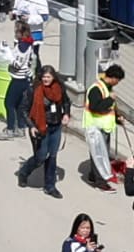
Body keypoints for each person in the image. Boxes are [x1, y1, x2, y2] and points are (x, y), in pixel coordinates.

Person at [17, 65, 71, 198]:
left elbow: (66, 102)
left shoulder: (59, 88)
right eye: (44, 77)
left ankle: (50, 186)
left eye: (49, 77)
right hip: (40, 127)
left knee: (52, 156)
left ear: (53, 77)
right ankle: (24, 172)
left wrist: (66, 114)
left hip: (56, 126)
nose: (46, 79)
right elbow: (23, 110)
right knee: (40, 157)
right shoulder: (33, 90)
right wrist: (31, 126)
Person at [83, 63, 124, 191]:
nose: (117, 83)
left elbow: (108, 109)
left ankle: (93, 175)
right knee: (99, 154)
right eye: (118, 80)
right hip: (95, 128)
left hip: (103, 127)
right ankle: (100, 183)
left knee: (99, 153)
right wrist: (110, 99)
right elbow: (96, 107)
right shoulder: (96, 89)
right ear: (113, 78)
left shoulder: (107, 88)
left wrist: (117, 118)